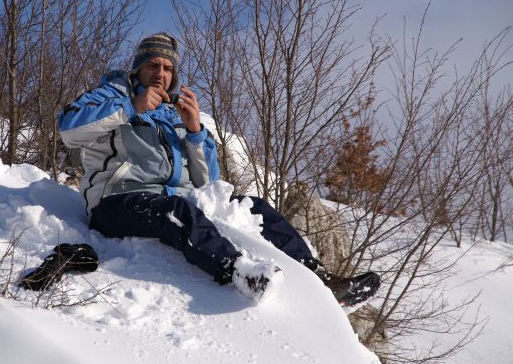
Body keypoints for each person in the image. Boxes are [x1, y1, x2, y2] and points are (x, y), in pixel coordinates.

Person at [55, 33, 379, 305]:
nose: (160, 72)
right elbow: (69, 130)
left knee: (255, 206)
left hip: (175, 201)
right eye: (153, 64)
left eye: (167, 67)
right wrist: (130, 108)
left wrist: (195, 131)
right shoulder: (112, 96)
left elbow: (209, 185)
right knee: (176, 209)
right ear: (138, 69)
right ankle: (238, 272)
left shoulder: (174, 115)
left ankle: (321, 279)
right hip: (116, 203)